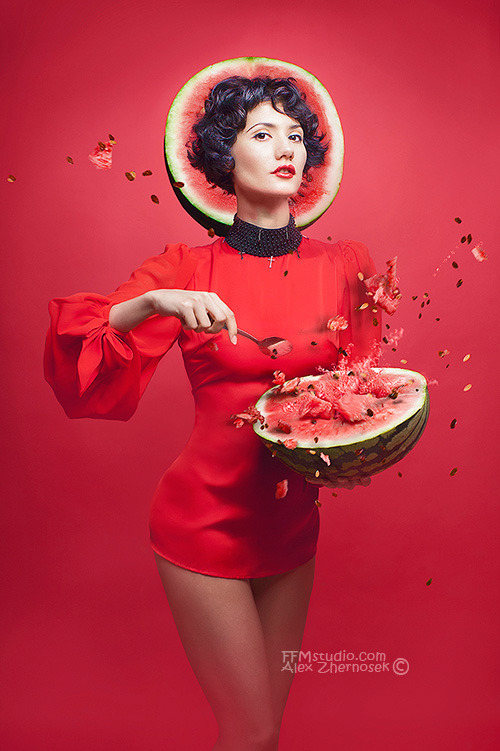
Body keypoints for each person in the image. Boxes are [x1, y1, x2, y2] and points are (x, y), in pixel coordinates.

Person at [45, 73, 380, 750]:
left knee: (266, 731)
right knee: (249, 728)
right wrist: (155, 303)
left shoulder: (348, 265)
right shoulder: (184, 268)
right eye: (262, 134)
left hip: (291, 523)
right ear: (226, 155)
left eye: (295, 136)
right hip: (202, 520)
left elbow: (362, 395)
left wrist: (356, 453)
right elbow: (79, 354)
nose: (286, 147)